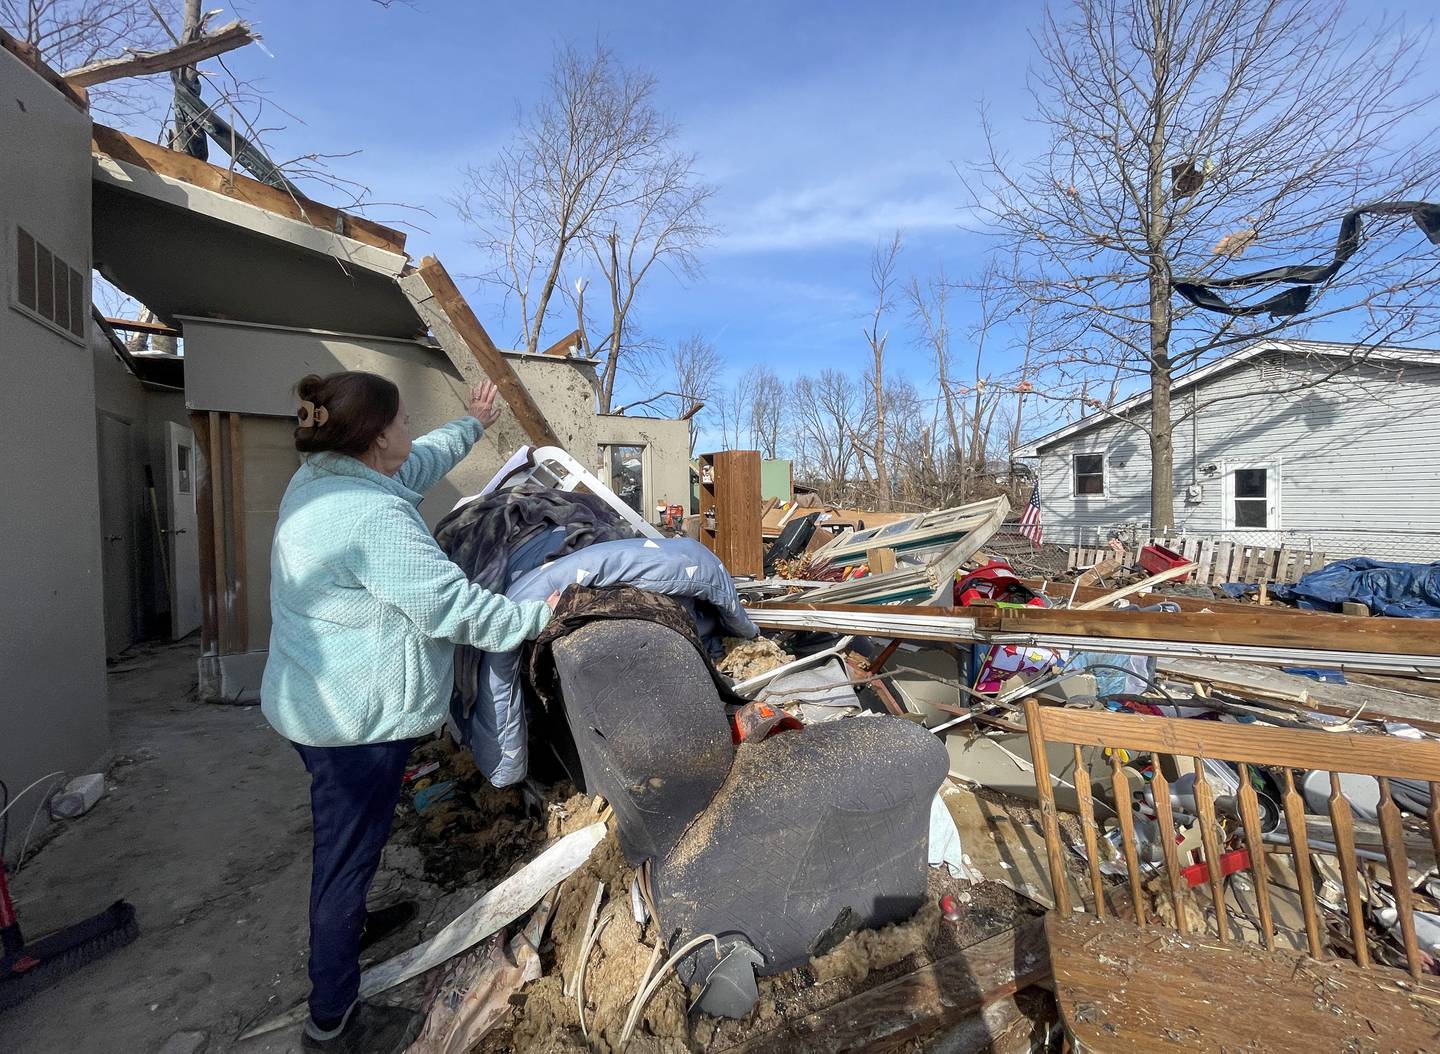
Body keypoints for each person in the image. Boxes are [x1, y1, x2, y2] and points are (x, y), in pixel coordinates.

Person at [261, 371, 557, 1053]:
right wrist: (539, 614)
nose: (407, 432)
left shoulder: (325, 478)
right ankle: (331, 1023)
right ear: (374, 439)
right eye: (399, 421)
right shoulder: (373, 517)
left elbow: (415, 462)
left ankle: (349, 922)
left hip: (312, 703)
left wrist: (472, 425)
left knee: (347, 844)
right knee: (345, 859)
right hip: (353, 725)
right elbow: (452, 608)